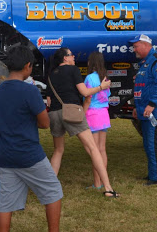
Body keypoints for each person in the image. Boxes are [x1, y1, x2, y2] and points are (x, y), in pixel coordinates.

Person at [0, 46, 82, 232]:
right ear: (27, 66)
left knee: (5, 203)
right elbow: (44, 123)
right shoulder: (29, 90)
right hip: (29, 154)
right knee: (53, 191)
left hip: (5, 154)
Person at [47, 47, 119, 198]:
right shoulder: (73, 70)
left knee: (58, 150)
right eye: (71, 54)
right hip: (71, 112)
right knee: (93, 148)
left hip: (54, 113)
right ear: (65, 58)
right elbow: (85, 93)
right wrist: (101, 87)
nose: (74, 56)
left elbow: (48, 100)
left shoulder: (51, 74)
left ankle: (50, 188)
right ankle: (108, 188)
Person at [130, 34, 157, 186]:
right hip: (146, 112)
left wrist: (152, 105)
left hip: (156, 112)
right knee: (149, 144)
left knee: (154, 144)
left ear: (146, 45)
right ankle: (152, 174)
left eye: (136, 46)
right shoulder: (146, 63)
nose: (133, 49)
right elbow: (144, 88)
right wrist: (138, 107)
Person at [83, 51, 111, 189]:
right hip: (104, 114)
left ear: (91, 62)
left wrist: (83, 112)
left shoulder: (89, 78)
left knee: (94, 151)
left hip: (92, 114)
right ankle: (102, 179)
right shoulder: (104, 78)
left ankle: (98, 183)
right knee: (102, 149)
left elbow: (88, 97)